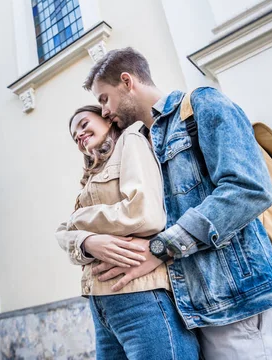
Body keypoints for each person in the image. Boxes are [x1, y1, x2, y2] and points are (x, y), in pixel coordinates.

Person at [83, 47, 272, 360]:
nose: (104, 111)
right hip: (186, 308)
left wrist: (162, 248)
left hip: (232, 302)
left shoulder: (202, 104)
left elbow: (249, 189)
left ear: (127, 81)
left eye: (104, 98)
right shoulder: (143, 143)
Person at [55, 105, 200, 360]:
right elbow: (62, 234)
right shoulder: (90, 178)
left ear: (107, 120)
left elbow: (145, 214)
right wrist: (88, 241)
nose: (78, 134)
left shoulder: (130, 140)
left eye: (83, 123)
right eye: (73, 135)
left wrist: (80, 221)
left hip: (140, 295)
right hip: (99, 303)